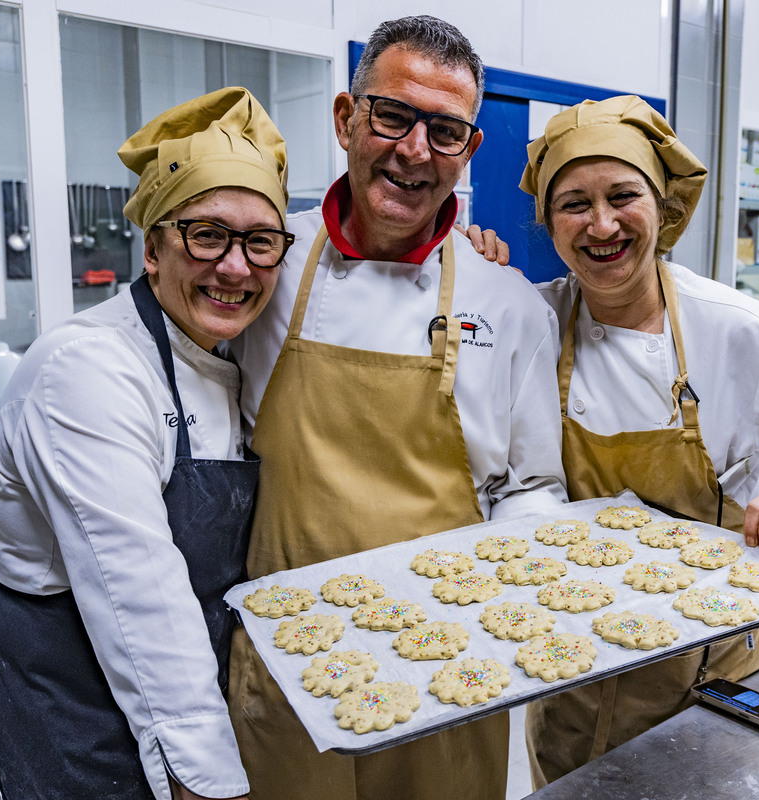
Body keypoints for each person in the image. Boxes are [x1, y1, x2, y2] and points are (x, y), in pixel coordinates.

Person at [224, 15, 567, 800]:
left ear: (469, 151)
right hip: (287, 667)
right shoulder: (264, 268)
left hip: (447, 674)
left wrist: (489, 606)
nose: (415, 150)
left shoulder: (506, 304)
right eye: (393, 116)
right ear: (347, 118)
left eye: (446, 131)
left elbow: (534, 487)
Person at [517, 95, 759, 787]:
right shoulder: (531, 322)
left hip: (712, 673)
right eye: (573, 203)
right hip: (572, 671)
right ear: (547, 220)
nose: (601, 224)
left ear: (663, 209)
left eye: (623, 196)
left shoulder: (733, 328)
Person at [0, 87, 293, 800]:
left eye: (259, 241)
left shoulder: (226, 347)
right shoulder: (89, 368)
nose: (235, 267)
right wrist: (206, 781)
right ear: (152, 248)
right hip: (70, 675)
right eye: (206, 234)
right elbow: (138, 595)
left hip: (181, 667)